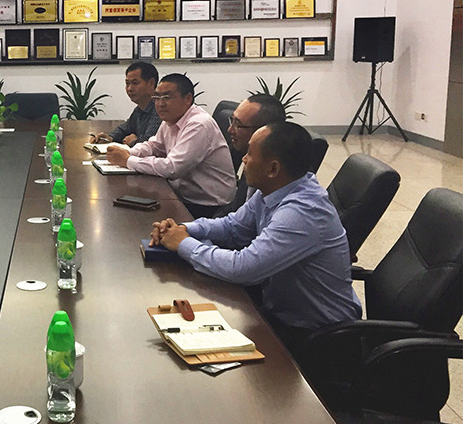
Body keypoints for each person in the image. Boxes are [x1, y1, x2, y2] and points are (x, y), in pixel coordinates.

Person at [149, 122, 361, 356]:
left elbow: (243, 268)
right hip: (280, 313)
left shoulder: (302, 212)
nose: (243, 159)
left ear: (273, 168)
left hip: (318, 339)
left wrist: (183, 243)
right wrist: (184, 229)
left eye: (250, 154)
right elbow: (232, 227)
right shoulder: (274, 189)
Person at [106, 73, 235, 218]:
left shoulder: (198, 124)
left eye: (167, 97)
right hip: (182, 196)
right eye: (157, 98)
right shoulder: (171, 119)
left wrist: (128, 160)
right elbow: (153, 146)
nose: (160, 104)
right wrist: (127, 152)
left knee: (135, 217)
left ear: (187, 99)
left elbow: (172, 168)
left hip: (206, 206)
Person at [216, 94, 287, 216]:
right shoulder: (252, 155)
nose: (230, 130)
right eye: (232, 121)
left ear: (263, 131)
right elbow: (237, 214)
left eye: (238, 124)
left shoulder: (277, 177)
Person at [90, 62, 161, 147]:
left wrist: (134, 141)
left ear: (151, 83)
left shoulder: (160, 109)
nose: (129, 88)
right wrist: (110, 137)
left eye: (135, 83)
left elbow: (151, 144)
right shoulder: (139, 109)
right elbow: (124, 129)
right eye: (127, 83)